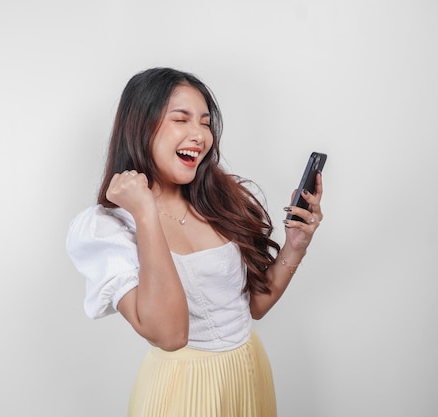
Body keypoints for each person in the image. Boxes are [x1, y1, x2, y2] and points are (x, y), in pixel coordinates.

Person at [66, 67, 324, 417]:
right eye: (181, 119)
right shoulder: (109, 228)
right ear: (141, 127)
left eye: (204, 122)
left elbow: (254, 306)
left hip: (248, 371)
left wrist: (296, 244)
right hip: (182, 391)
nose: (199, 135)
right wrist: (146, 214)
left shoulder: (218, 196)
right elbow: (170, 336)